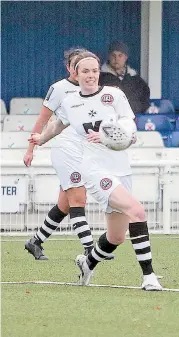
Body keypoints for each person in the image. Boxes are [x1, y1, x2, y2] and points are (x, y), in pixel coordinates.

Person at [29, 51, 162, 291]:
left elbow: (128, 122)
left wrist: (126, 135)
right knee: (137, 211)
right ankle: (149, 276)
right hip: (94, 169)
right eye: (85, 71)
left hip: (120, 168)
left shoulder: (114, 95)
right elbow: (58, 125)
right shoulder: (70, 102)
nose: (90, 75)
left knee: (116, 237)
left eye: (94, 71)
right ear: (75, 74)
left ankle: (88, 263)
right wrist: (41, 139)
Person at [23, 47, 97, 260]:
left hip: (83, 149)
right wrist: (31, 149)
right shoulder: (59, 89)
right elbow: (43, 119)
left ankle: (35, 241)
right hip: (65, 148)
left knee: (65, 204)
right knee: (78, 198)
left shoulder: (92, 90)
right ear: (70, 68)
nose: (81, 70)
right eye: (77, 66)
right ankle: (89, 248)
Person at [99, 41, 150, 113]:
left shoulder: (135, 78)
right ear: (109, 56)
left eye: (120, 55)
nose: (116, 59)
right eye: (113, 55)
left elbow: (145, 98)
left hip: (133, 119)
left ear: (125, 57)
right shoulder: (99, 77)